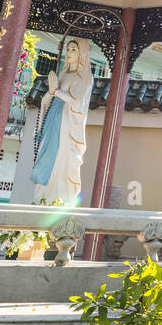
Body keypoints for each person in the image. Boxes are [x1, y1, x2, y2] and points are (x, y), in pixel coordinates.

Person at [31, 37, 95, 205]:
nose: (68, 53)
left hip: (67, 126)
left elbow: (77, 103)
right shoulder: (64, 74)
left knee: (62, 160)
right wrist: (50, 93)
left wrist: (56, 91)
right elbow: (49, 98)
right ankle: (41, 199)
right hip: (53, 119)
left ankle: (59, 200)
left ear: (82, 54)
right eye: (68, 49)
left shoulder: (85, 78)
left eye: (73, 50)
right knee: (46, 157)